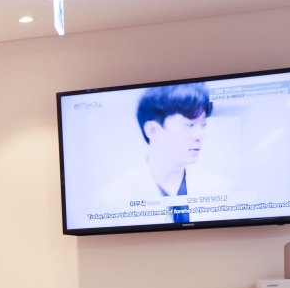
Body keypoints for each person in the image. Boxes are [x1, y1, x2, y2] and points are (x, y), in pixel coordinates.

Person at [96, 83, 231, 224]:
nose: (200, 135)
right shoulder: (111, 199)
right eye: (189, 125)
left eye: (203, 125)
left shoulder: (219, 188)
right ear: (153, 131)